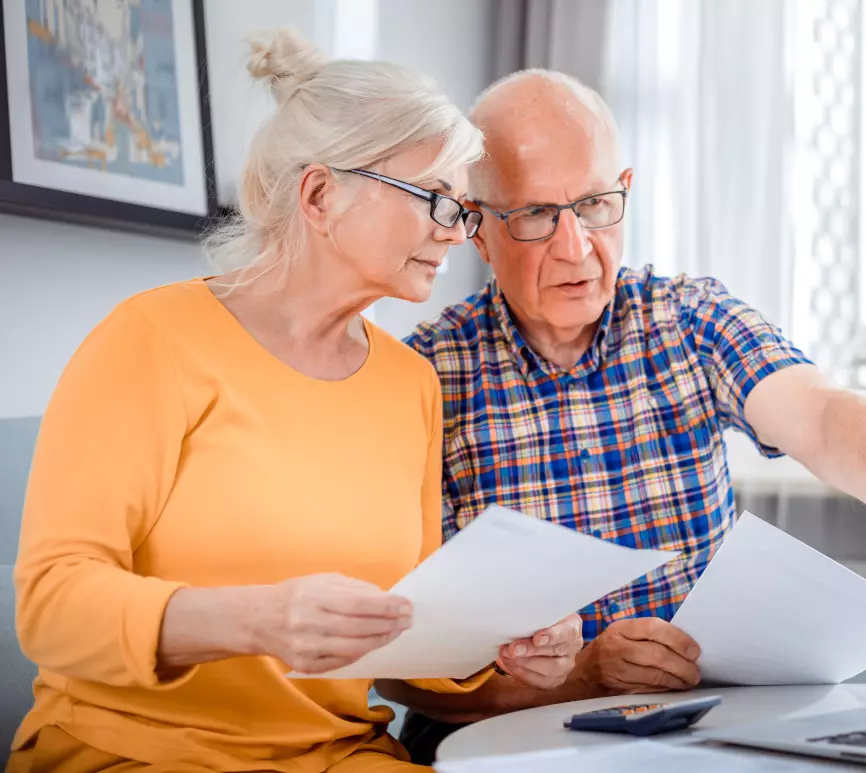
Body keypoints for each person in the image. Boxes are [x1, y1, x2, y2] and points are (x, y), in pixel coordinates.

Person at [383, 69, 866, 763]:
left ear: (624, 187)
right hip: (515, 749)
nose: (576, 247)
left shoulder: (688, 319)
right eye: (534, 215)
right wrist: (579, 677)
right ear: (477, 229)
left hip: (706, 734)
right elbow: (396, 664)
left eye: (594, 204)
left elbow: (824, 417)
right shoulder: (425, 376)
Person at [7, 33, 581, 773]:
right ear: (319, 195)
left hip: (340, 756)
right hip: (133, 753)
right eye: (433, 198)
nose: (454, 231)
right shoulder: (150, 340)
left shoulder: (410, 384)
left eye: (462, 209)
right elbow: (51, 608)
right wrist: (256, 620)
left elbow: (405, 636)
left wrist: (500, 645)